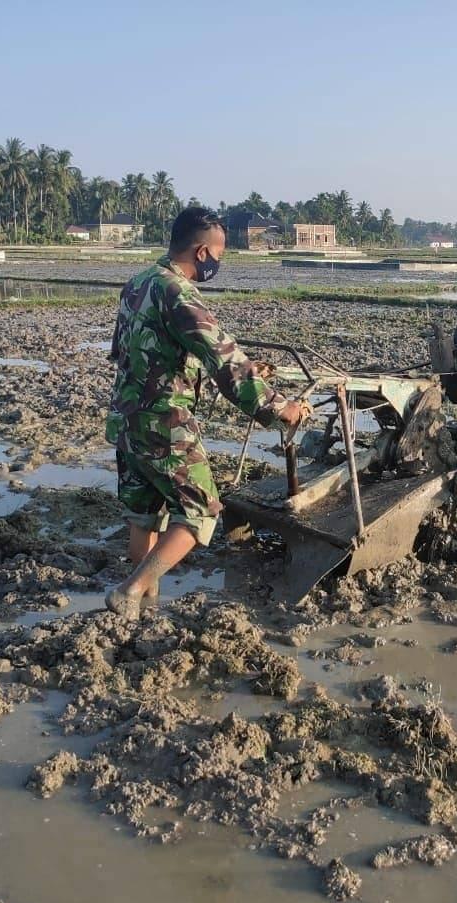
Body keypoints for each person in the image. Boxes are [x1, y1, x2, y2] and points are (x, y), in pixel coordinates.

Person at [104, 206, 307, 619]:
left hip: (128, 418)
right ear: (200, 253)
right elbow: (227, 362)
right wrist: (280, 407)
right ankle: (130, 592)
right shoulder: (178, 292)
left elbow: (130, 351)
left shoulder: (139, 282)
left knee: (145, 516)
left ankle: (145, 607)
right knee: (200, 512)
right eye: (218, 254)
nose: (219, 262)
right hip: (165, 422)